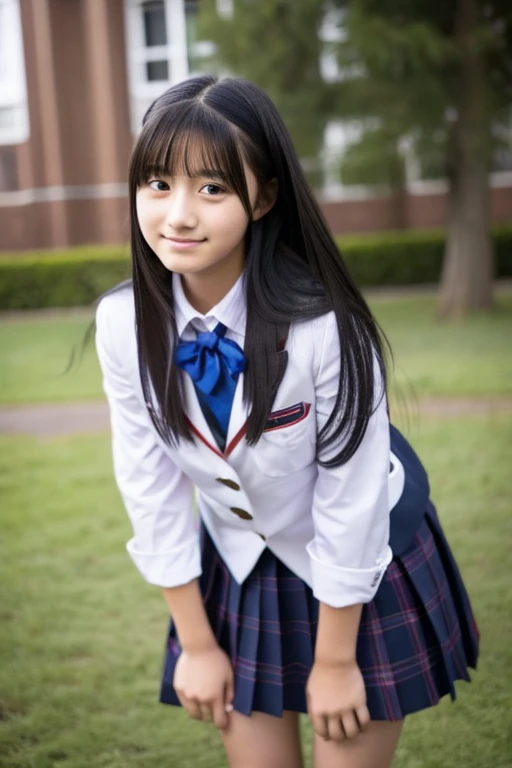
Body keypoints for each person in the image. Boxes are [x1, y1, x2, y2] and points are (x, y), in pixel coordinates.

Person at [95, 75, 479, 768]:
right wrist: (199, 644)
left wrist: (336, 662)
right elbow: (147, 481)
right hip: (241, 565)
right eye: (157, 183)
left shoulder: (326, 327)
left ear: (264, 196)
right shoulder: (122, 323)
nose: (177, 214)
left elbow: (351, 496)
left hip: (359, 563)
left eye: (211, 188)